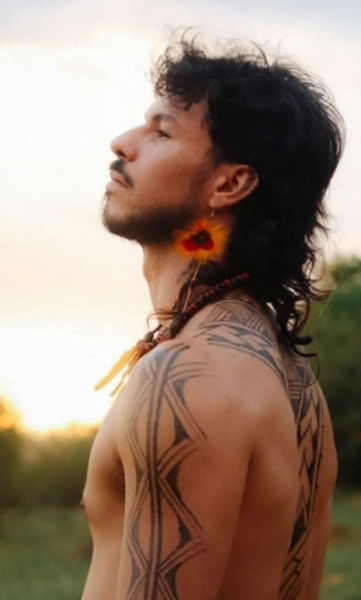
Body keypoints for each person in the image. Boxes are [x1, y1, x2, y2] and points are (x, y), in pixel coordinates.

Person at [80, 34, 345, 600]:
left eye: (162, 132)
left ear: (230, 183)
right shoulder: (293, 382)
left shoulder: (186, 377)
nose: (123, 143)